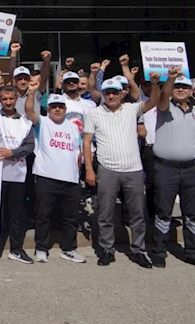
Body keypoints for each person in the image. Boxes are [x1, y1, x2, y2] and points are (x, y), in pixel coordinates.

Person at [84, 74, 160, 268]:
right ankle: (107, 249)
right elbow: (86, 142)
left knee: (137, 214)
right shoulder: (94, 113)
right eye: (107, 92)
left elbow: (155, 100)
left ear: (122, 93)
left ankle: (138, 250)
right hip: (107, 169)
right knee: (105, 214)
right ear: (103, 94)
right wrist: (89, 170)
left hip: (133, 170)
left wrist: (154, 84)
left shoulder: (132, 109)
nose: (111, 96)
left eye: (115, 92)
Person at [25, 85, 85, 264]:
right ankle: (41, 248)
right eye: (53, 106)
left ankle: (69, 248)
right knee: (43, 215)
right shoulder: (42, 122)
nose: (57, 109)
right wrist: (31, 92)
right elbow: (29, 111)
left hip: (70, 178)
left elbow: (78, 150)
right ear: (48, 109)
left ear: (65, 109)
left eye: (60, 106)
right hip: (46, 177)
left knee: (71, 217)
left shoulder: (74, 127)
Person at [0, 64, 36, 264]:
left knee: (16, 214)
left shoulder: (25, 122)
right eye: (4, 99)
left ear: (16, 100)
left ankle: (16, 249)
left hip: (17, 173)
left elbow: (30, 145)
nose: (7, 102)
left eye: (10, 99)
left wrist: (13, 152)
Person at [150, 69, 195, 267]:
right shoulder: (164, 107)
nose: (180, 90)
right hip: (166, 168)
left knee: (192, 213)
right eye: (177, 87)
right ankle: (159, 250)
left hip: (191, 169)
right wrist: (171, 79)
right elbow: (163, 95)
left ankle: (191, 251)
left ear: (192, 91)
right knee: (163, 211)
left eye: (184, 87)